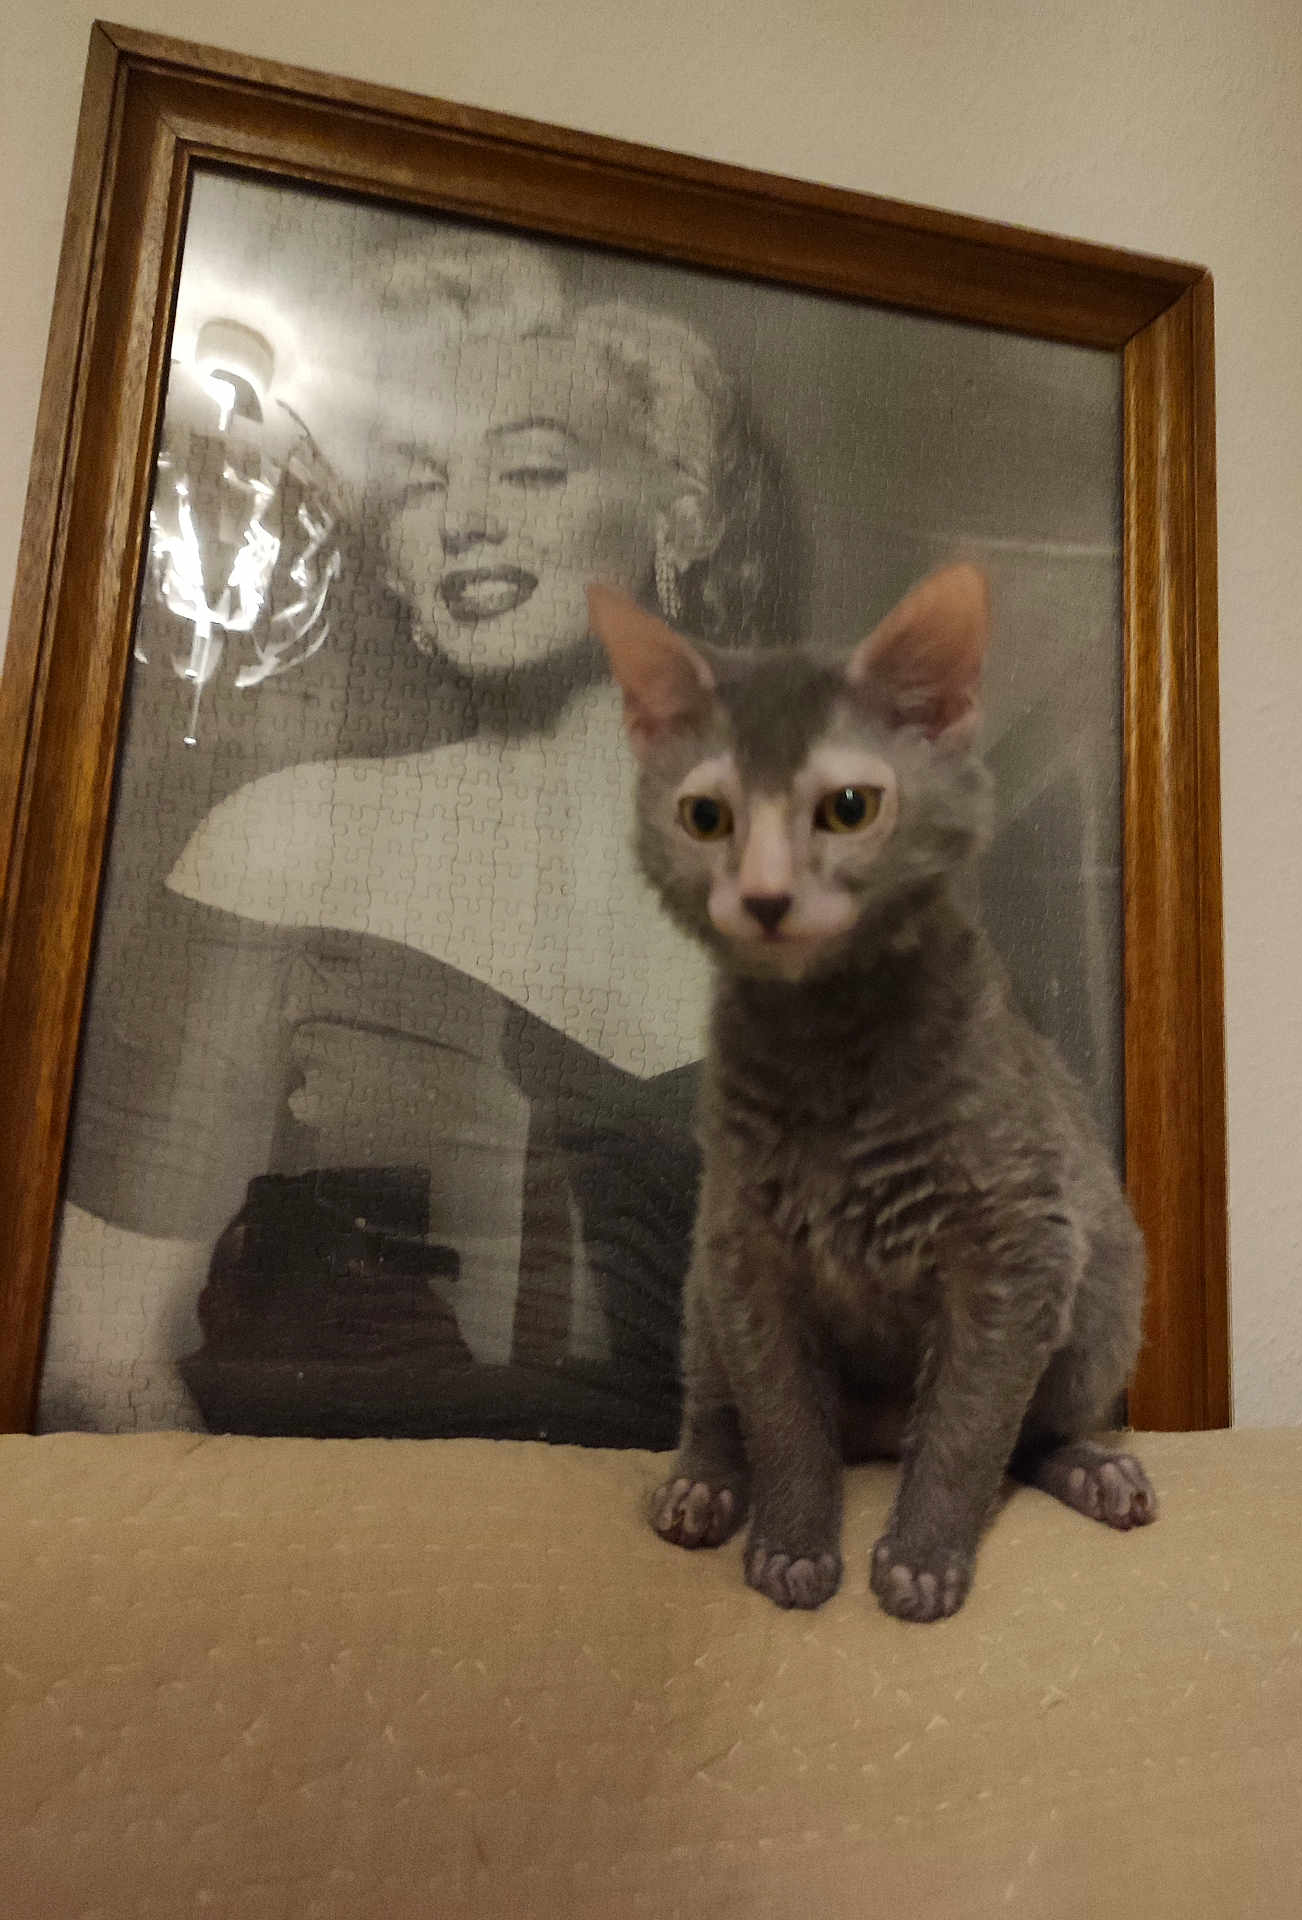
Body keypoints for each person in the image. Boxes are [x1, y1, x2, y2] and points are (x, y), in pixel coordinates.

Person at [41, 219, 801, 1444]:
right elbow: (95, 1359)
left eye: (534, 471)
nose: (465, 522)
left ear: (686, 517)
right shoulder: (279, 846)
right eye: (421, 482)